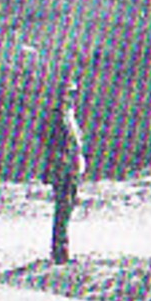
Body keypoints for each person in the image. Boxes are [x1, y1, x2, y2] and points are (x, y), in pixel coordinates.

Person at [43, 75, 86, 263]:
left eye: (73, 94)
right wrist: (58, 158)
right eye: (68, 93)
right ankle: (59, 251)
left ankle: (63, 248)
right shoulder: (56, 116)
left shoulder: (71, 116)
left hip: (72, 166)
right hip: (62, 166)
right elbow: (47, 139)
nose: (71, 97)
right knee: (63, 207)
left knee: (68, 207)